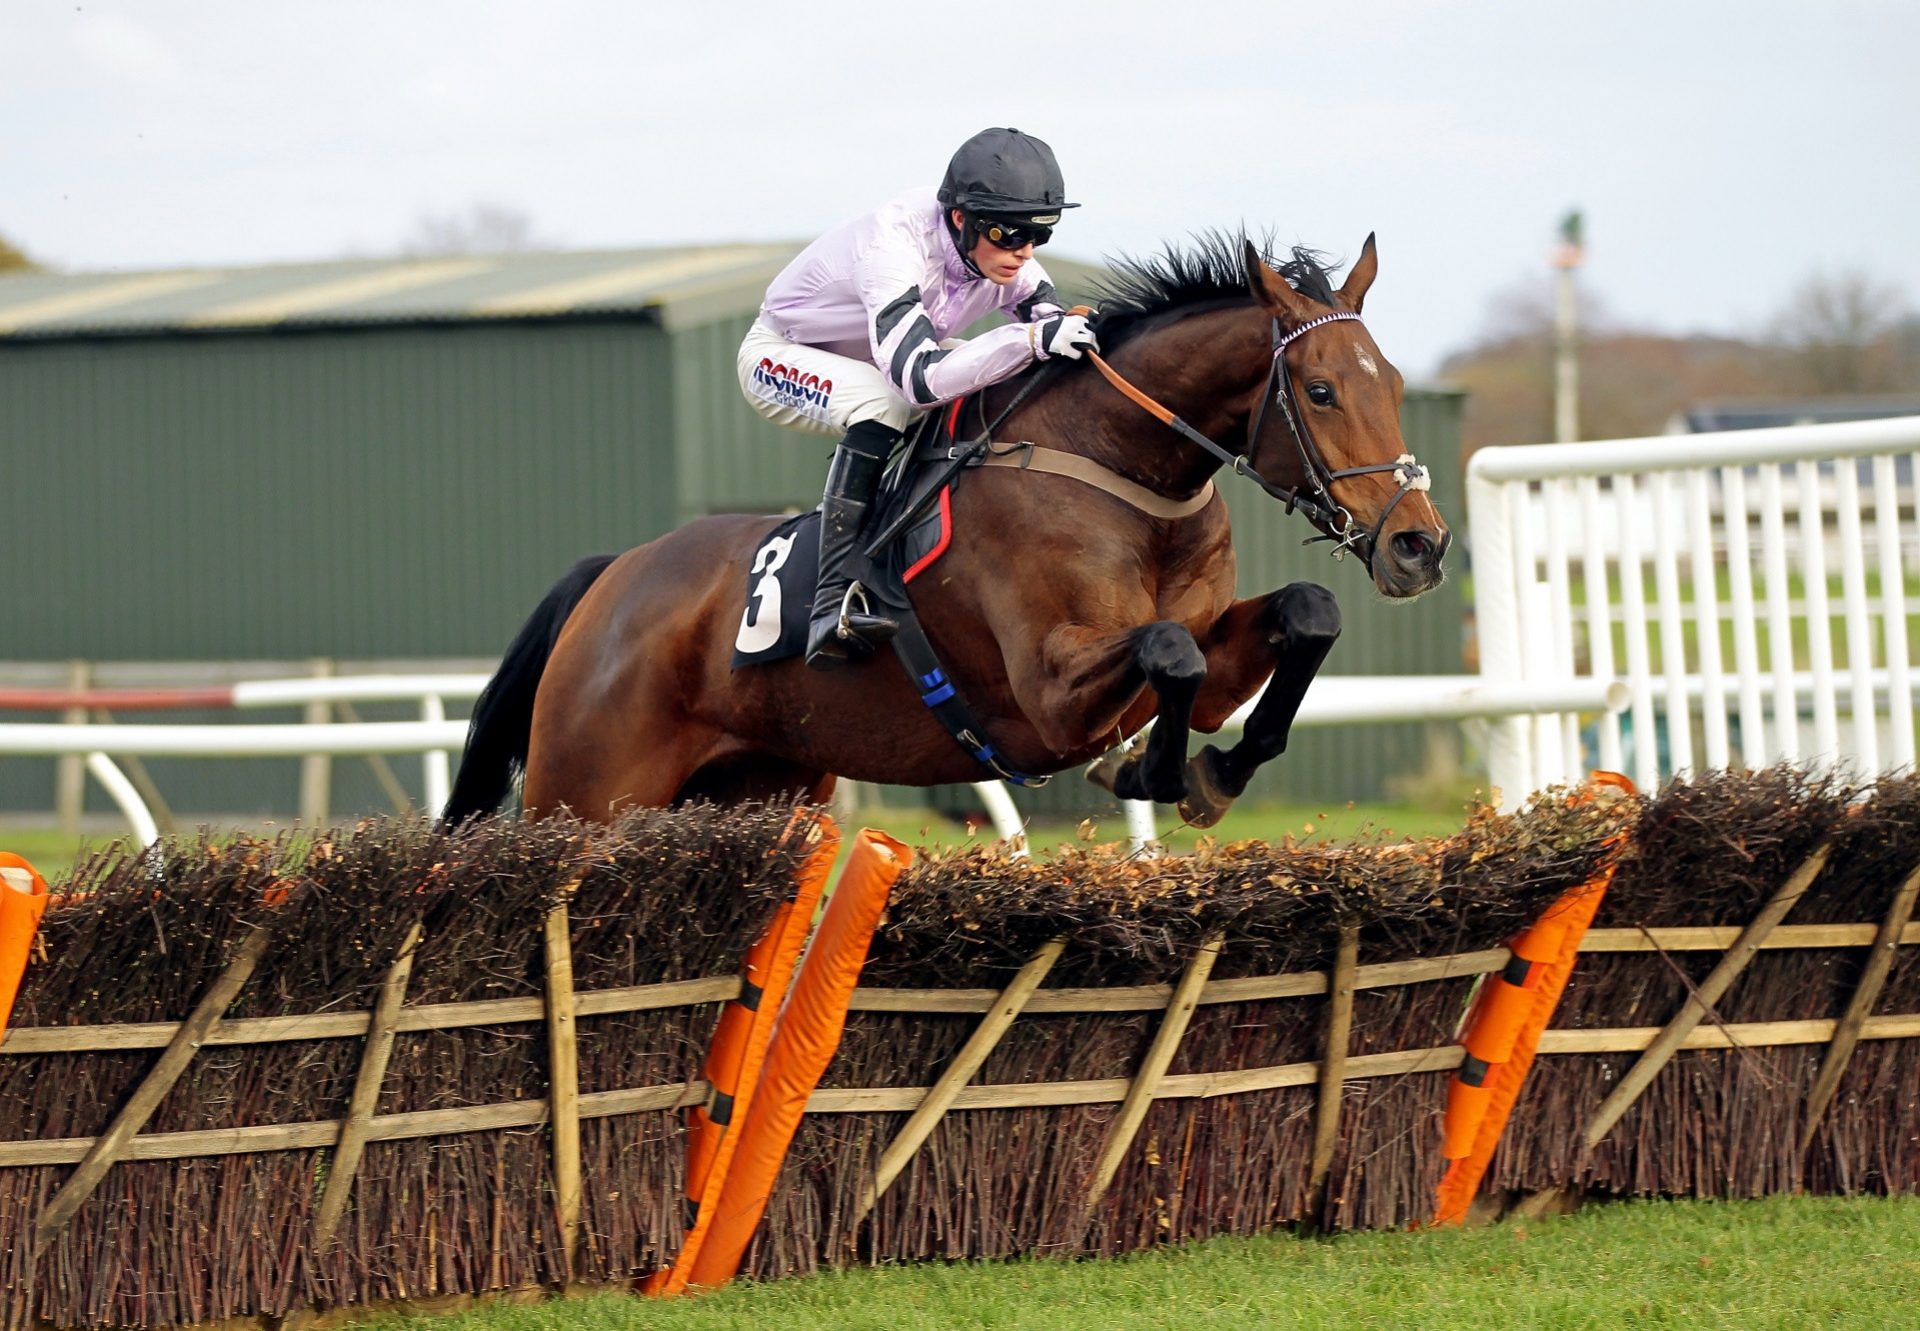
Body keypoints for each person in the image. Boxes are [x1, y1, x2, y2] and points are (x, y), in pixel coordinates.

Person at [737, 127, 1099, 670]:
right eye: (1008, 234)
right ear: (961, 218)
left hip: (886, 356)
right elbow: (919, 379)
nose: (1022, 252)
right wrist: (1028, 339)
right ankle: (834, 597)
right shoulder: (894, 248)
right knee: (885, 403)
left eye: (1038, 236)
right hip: (783, 354)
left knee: (1002, 374)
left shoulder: (1004, 254)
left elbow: (1049, 324)